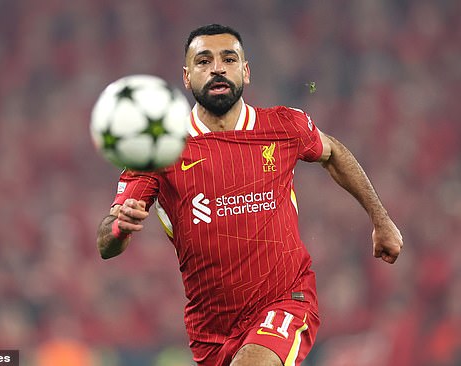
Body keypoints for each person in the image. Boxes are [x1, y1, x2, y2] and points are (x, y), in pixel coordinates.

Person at [96, 24, 403, 366]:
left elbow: (333, 153)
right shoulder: (160, 152)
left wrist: (382, 219)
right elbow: (106, 244)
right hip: (210, 329)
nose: (217, 68)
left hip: (286, 300)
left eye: (229, 58)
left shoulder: (284, 126)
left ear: (246, 71)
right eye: (203, 61)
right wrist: (119, 226)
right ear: (186, 77)